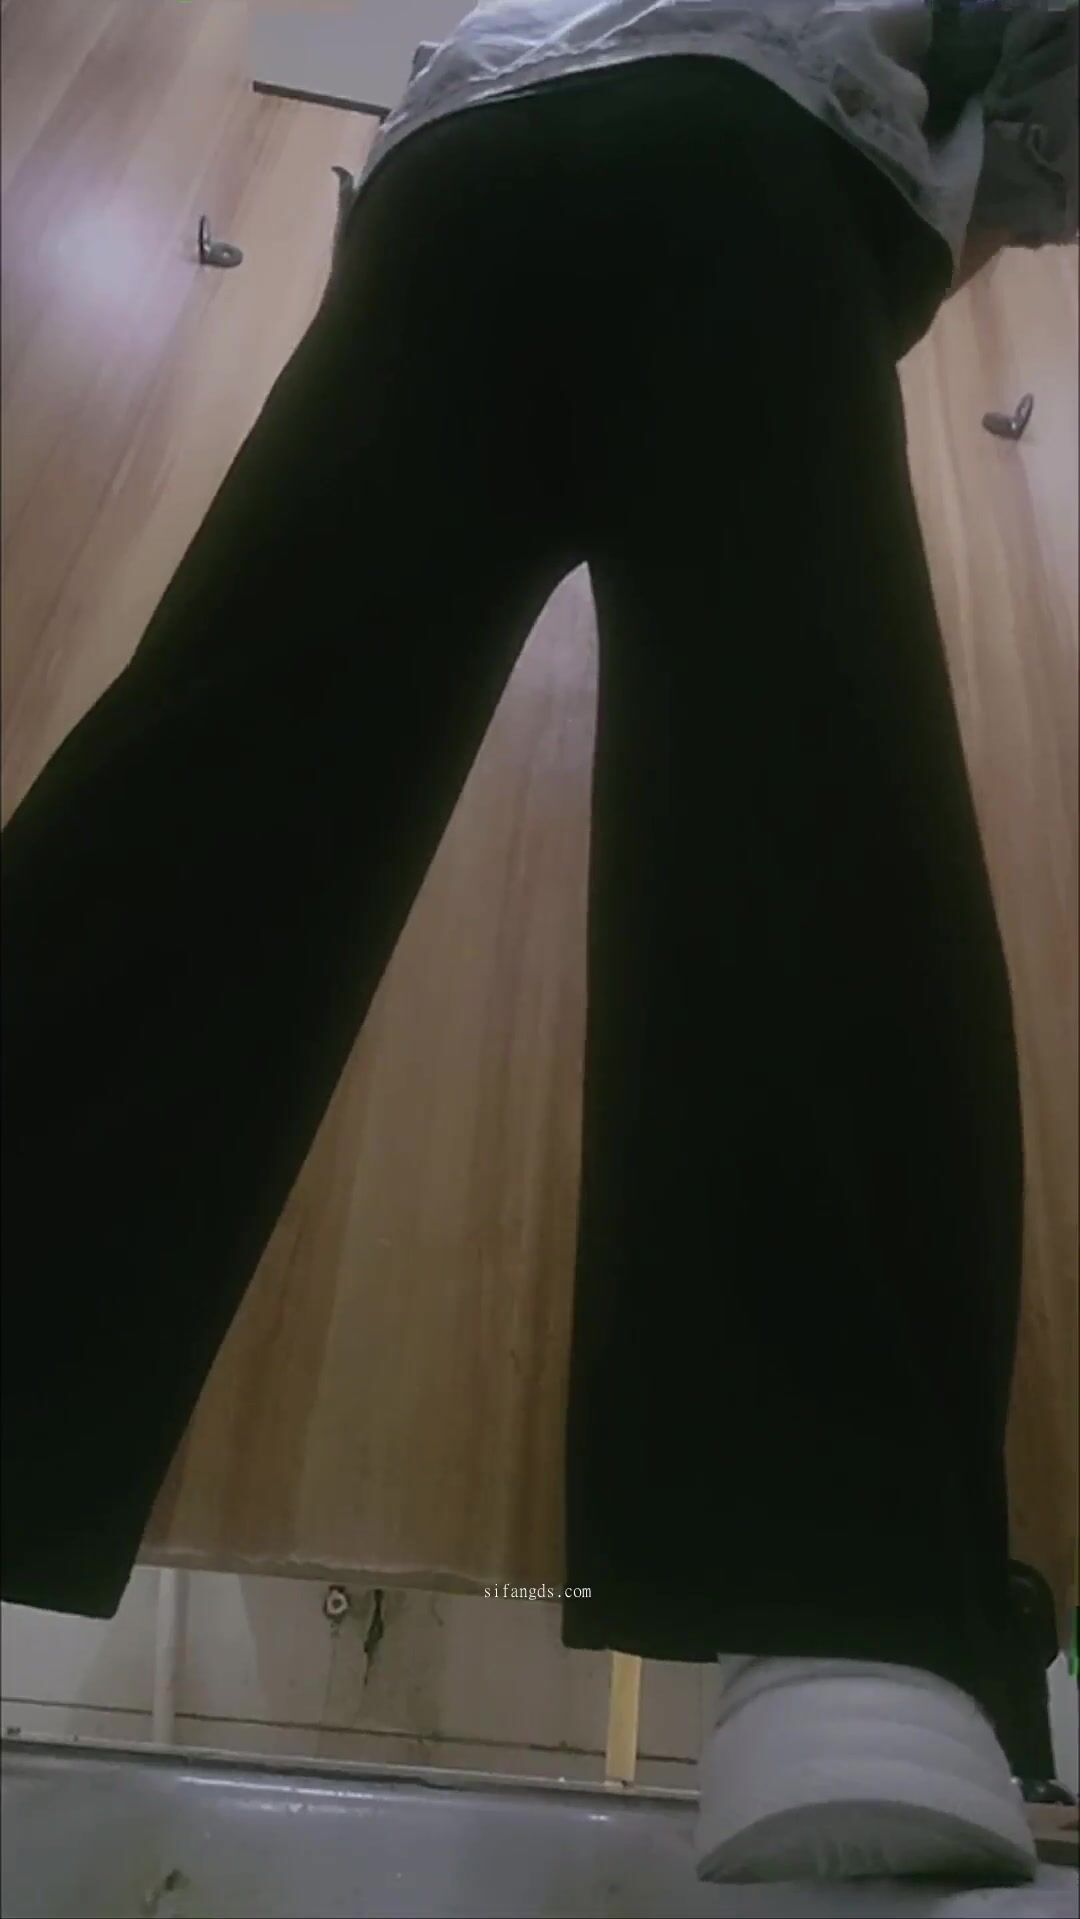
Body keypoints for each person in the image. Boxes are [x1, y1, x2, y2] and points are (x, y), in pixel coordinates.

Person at [2, 0, 1077, 1890]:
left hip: (454, 175)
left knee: (200, 786)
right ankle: (842, 1614)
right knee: (800, 785)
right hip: (761, 141)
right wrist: (941, 218)